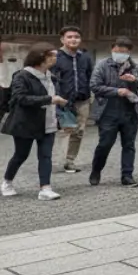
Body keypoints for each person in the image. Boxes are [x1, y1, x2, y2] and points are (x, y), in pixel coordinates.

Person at [1, 44, 69, 200]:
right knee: (21, 155)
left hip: (48, 122)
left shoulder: (50, 76)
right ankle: (7, 181)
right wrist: (50, 99)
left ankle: (45, 188)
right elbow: (20, 98)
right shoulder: (22, 76)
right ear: (40, 57)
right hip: (25, 122)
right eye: (51, 55)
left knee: (45, 156)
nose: (55, 58)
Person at [89, 36, 138, 188]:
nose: (121, 53)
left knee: (129, 144)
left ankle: (127, 175)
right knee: (105, 144)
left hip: (130, 111)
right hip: (108, 110)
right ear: (112, 49)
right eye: (118, 50)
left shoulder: (135, 67)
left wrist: (134, 79)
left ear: (129, 52)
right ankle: (96, 170)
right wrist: (116, 91)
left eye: (124, 51)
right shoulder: (102, 65)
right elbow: (95, 86)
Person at [50, 25, 94, 173]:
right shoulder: (55, 57)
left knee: (79, 131)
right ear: (62, 39)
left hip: (83, 99)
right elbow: (51, 79)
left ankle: (70, 161)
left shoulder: (85, 57)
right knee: (65, 130)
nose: (73, 40)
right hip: (63, 100)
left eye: (76, 37)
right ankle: (59, 160)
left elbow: (90, 76)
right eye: (69, 37)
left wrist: (90, 94)